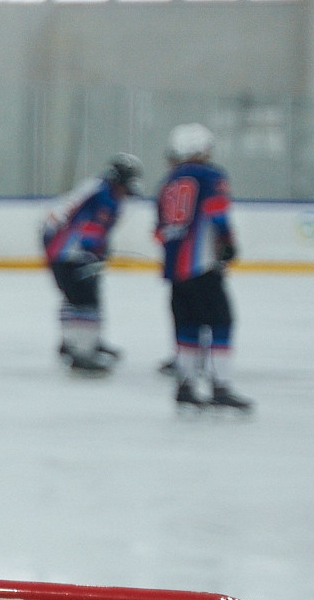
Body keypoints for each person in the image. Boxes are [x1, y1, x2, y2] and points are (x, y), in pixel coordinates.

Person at [154, 123, 249, 413]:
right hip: (202, 266)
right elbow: (217, 210)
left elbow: (159, 230)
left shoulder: (167, 182)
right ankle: (220, 386)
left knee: (188, 326)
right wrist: (227, 242)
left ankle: (185, 386)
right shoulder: (211, 175)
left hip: (175, 269)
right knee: (221, 322)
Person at [39, 154, 141, 375]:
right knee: (86, 301)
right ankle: (83, 350)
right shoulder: (105, 196)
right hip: (71, 253)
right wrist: (96, 251)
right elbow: (90, 229)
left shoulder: (97, 188)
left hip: (62, 250)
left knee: (75, 298)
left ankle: (74, 342)